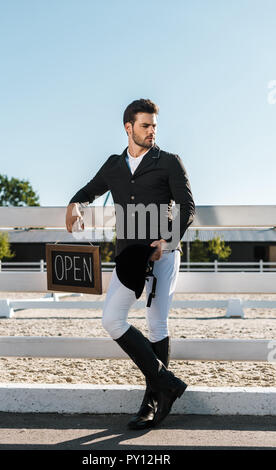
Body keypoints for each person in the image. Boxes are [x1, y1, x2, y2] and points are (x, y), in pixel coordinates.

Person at [66, 98, 195, 429]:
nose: (152, 131)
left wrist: (167, 240)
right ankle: (167, 383)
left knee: (157, 323)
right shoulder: (113, 165)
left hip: (163, 254)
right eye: (145, 125)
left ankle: (153, 400)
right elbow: (89, 190)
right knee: (112, 319)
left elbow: (187, 206)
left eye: (154, 126)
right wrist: (75, 203)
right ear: (129, 128)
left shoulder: (169, 162)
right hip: (129, 255)